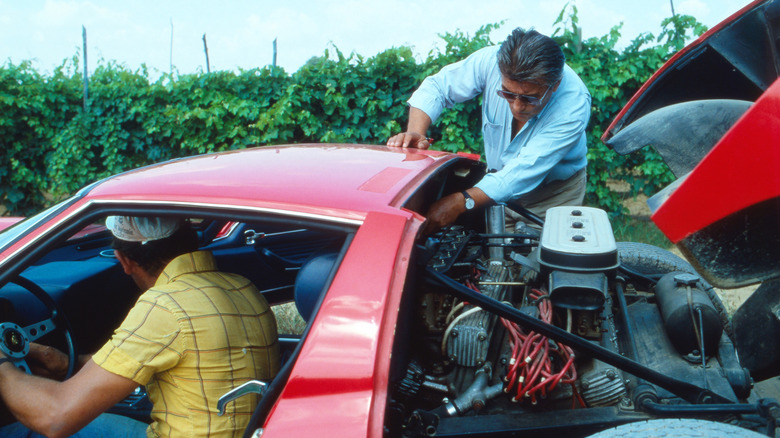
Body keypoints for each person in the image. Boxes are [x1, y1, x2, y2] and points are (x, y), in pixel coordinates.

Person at [0, 216, 281, 438]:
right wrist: (64, 364)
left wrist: (3, 364)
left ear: (123, 260)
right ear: (188, 239)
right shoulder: (244, 288)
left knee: (22, 431)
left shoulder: (166, 305)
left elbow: (55, 417)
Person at [387, 28, 591, 234]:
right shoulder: (489, 62)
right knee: (498, 256)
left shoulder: (573, 106)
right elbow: (438, 87)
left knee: (544, 262)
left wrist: (462, 202)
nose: (517, 107)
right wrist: (416, 133)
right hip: (496, 187)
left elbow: (520, 174)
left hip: (552, 195)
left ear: (554, 85)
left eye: (530, 98)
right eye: (508, 94)